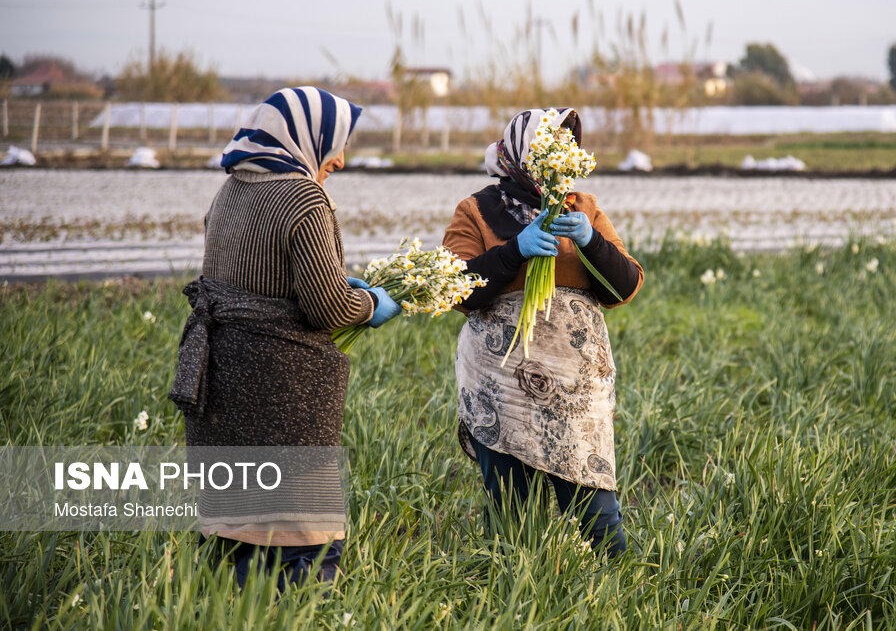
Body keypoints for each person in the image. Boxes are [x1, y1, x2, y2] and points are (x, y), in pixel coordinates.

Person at [169, 86, 401, 589]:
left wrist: (339, 286)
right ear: (305, 138)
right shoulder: (302, 195)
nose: (339, 159)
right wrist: (372, 305)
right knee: (302, 544)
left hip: (221, 377)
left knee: (237, 536)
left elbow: (258, 281)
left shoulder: (230, 190)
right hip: (280, 387)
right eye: (335, 143)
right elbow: (328, 308)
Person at [442, 108, 644, 556]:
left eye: (567, 148)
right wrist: (515, 249)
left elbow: (625, 286)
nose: (561, 158)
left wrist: (591, 242)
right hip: (501, 384)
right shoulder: (476, 210)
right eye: (548, 148)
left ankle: (616, 589)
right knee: (513, 511)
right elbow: (456, 287)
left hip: (576, 385)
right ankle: (519, 594)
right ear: (519, 152)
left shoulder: (581, 207)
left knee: (594, 500)